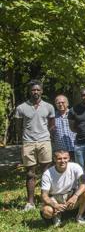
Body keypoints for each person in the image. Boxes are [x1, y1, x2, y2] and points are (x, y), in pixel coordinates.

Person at [15, 80, 55, 211]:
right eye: (33, 90)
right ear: (29, 91)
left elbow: (52, 125)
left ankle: (46, 199)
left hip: (44, 141)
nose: (36, 92)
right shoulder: (21, 108)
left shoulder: (49, 107)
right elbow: (18, 127)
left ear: (42, 91)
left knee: (46, 172)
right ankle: (30, 202)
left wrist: (45, 135)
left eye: (38, 90)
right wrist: (26, 138)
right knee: (30, 173)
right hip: (28, 142)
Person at [40, 150, 85, 226]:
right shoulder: (47, 174)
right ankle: (56, 217)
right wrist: (55, 205)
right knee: (47, 211)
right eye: (59, 159)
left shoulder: (75, 167)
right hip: (55, 198)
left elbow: (84, 183)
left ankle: (80, 216)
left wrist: (75, 196)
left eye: (65, 158)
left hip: (71, 195)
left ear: (69, 158)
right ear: (54, 159)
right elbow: (44, 195)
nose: (62, 161)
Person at [52, 95, 76, 161]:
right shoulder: (52, 116)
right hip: (60, 150)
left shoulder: (74, 114)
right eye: (58, 103)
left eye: (63, 102)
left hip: (74, 147)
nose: (60, 104)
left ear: (67, 103)